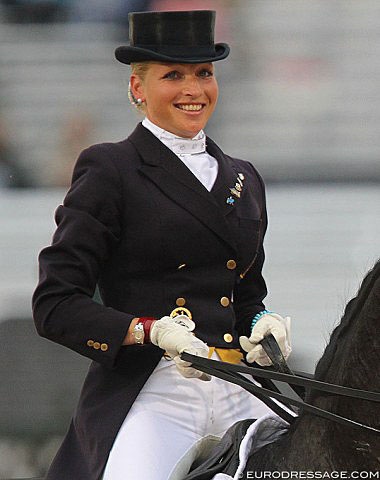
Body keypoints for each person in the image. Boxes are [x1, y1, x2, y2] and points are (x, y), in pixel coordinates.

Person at [32, 10, 292, 480]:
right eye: (173, 75)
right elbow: (55, 305)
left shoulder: (243, 177)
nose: (193, 90)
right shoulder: (111, 169)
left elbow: (245, 294)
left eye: (204, 74)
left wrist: (261, 322)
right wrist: (149, 331)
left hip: (237, 383)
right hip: (157, 388)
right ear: (138, 89)